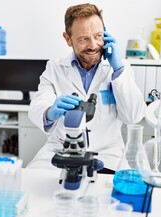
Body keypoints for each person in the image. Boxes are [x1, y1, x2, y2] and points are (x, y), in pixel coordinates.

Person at [27, 3, 146, 172]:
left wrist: (119, 70)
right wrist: (49, 112)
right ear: (68, 39)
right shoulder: (55, 68)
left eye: (98, 36)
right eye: (84, 39)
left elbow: (134, 117)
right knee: (33, 184)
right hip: (62, 150)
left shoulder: (119, 69)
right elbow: (39, 104)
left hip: (106, 155)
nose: (93, 45)